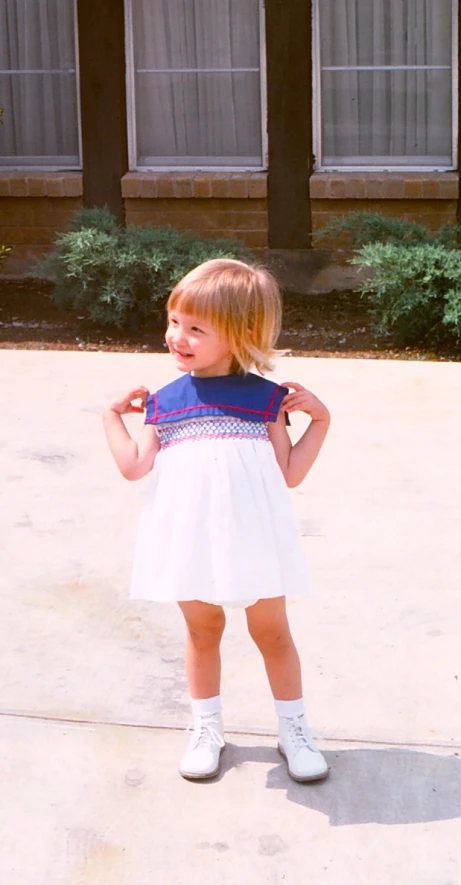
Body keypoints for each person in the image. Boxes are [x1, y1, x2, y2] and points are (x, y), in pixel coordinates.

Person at [103, 258, 331, 783]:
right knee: (202, 630)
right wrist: (111, 417)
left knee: (272, 632)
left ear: (241, 334)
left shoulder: (266, 400)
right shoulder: (163, 402)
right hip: (190, 537)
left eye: (196, 329)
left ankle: (293, 730)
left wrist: (320, 420)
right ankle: (207, 727)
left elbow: (289, 472)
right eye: (174, 321)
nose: (177, 337)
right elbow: (134, 466)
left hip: (254, 536)